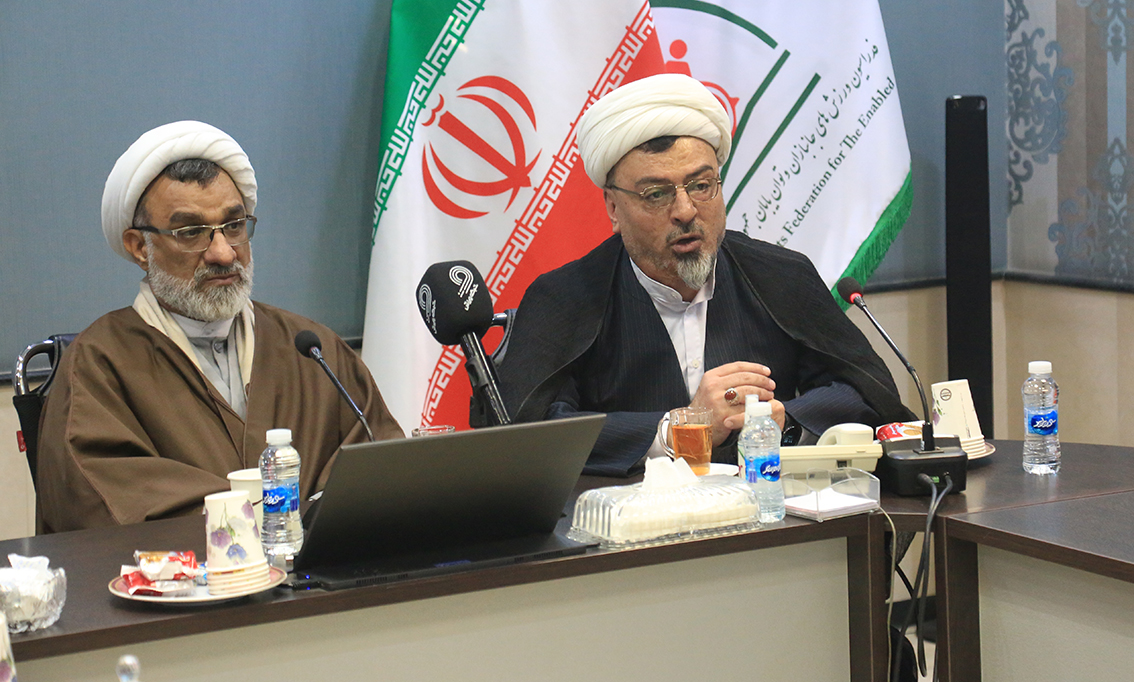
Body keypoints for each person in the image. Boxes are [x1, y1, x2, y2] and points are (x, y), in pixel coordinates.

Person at [496, 74, 911, 476]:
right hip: (625, 517)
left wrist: (783, 419)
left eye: (700, 185)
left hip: (768, 510)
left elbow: (868, 393)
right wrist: (678, 430)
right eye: (655, 194)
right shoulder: (564, 297)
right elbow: (532, 433)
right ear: (613, 208)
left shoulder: (782, 275)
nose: (685, 211)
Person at [37, 121, 403, 532]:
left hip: (320, 571)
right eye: (191, 232)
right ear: (140, 247)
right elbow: (105, 504)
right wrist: (264, 525)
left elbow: (383, 467)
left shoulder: (312, 348)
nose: (224, 253)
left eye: (234, 226)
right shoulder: (97, 366)